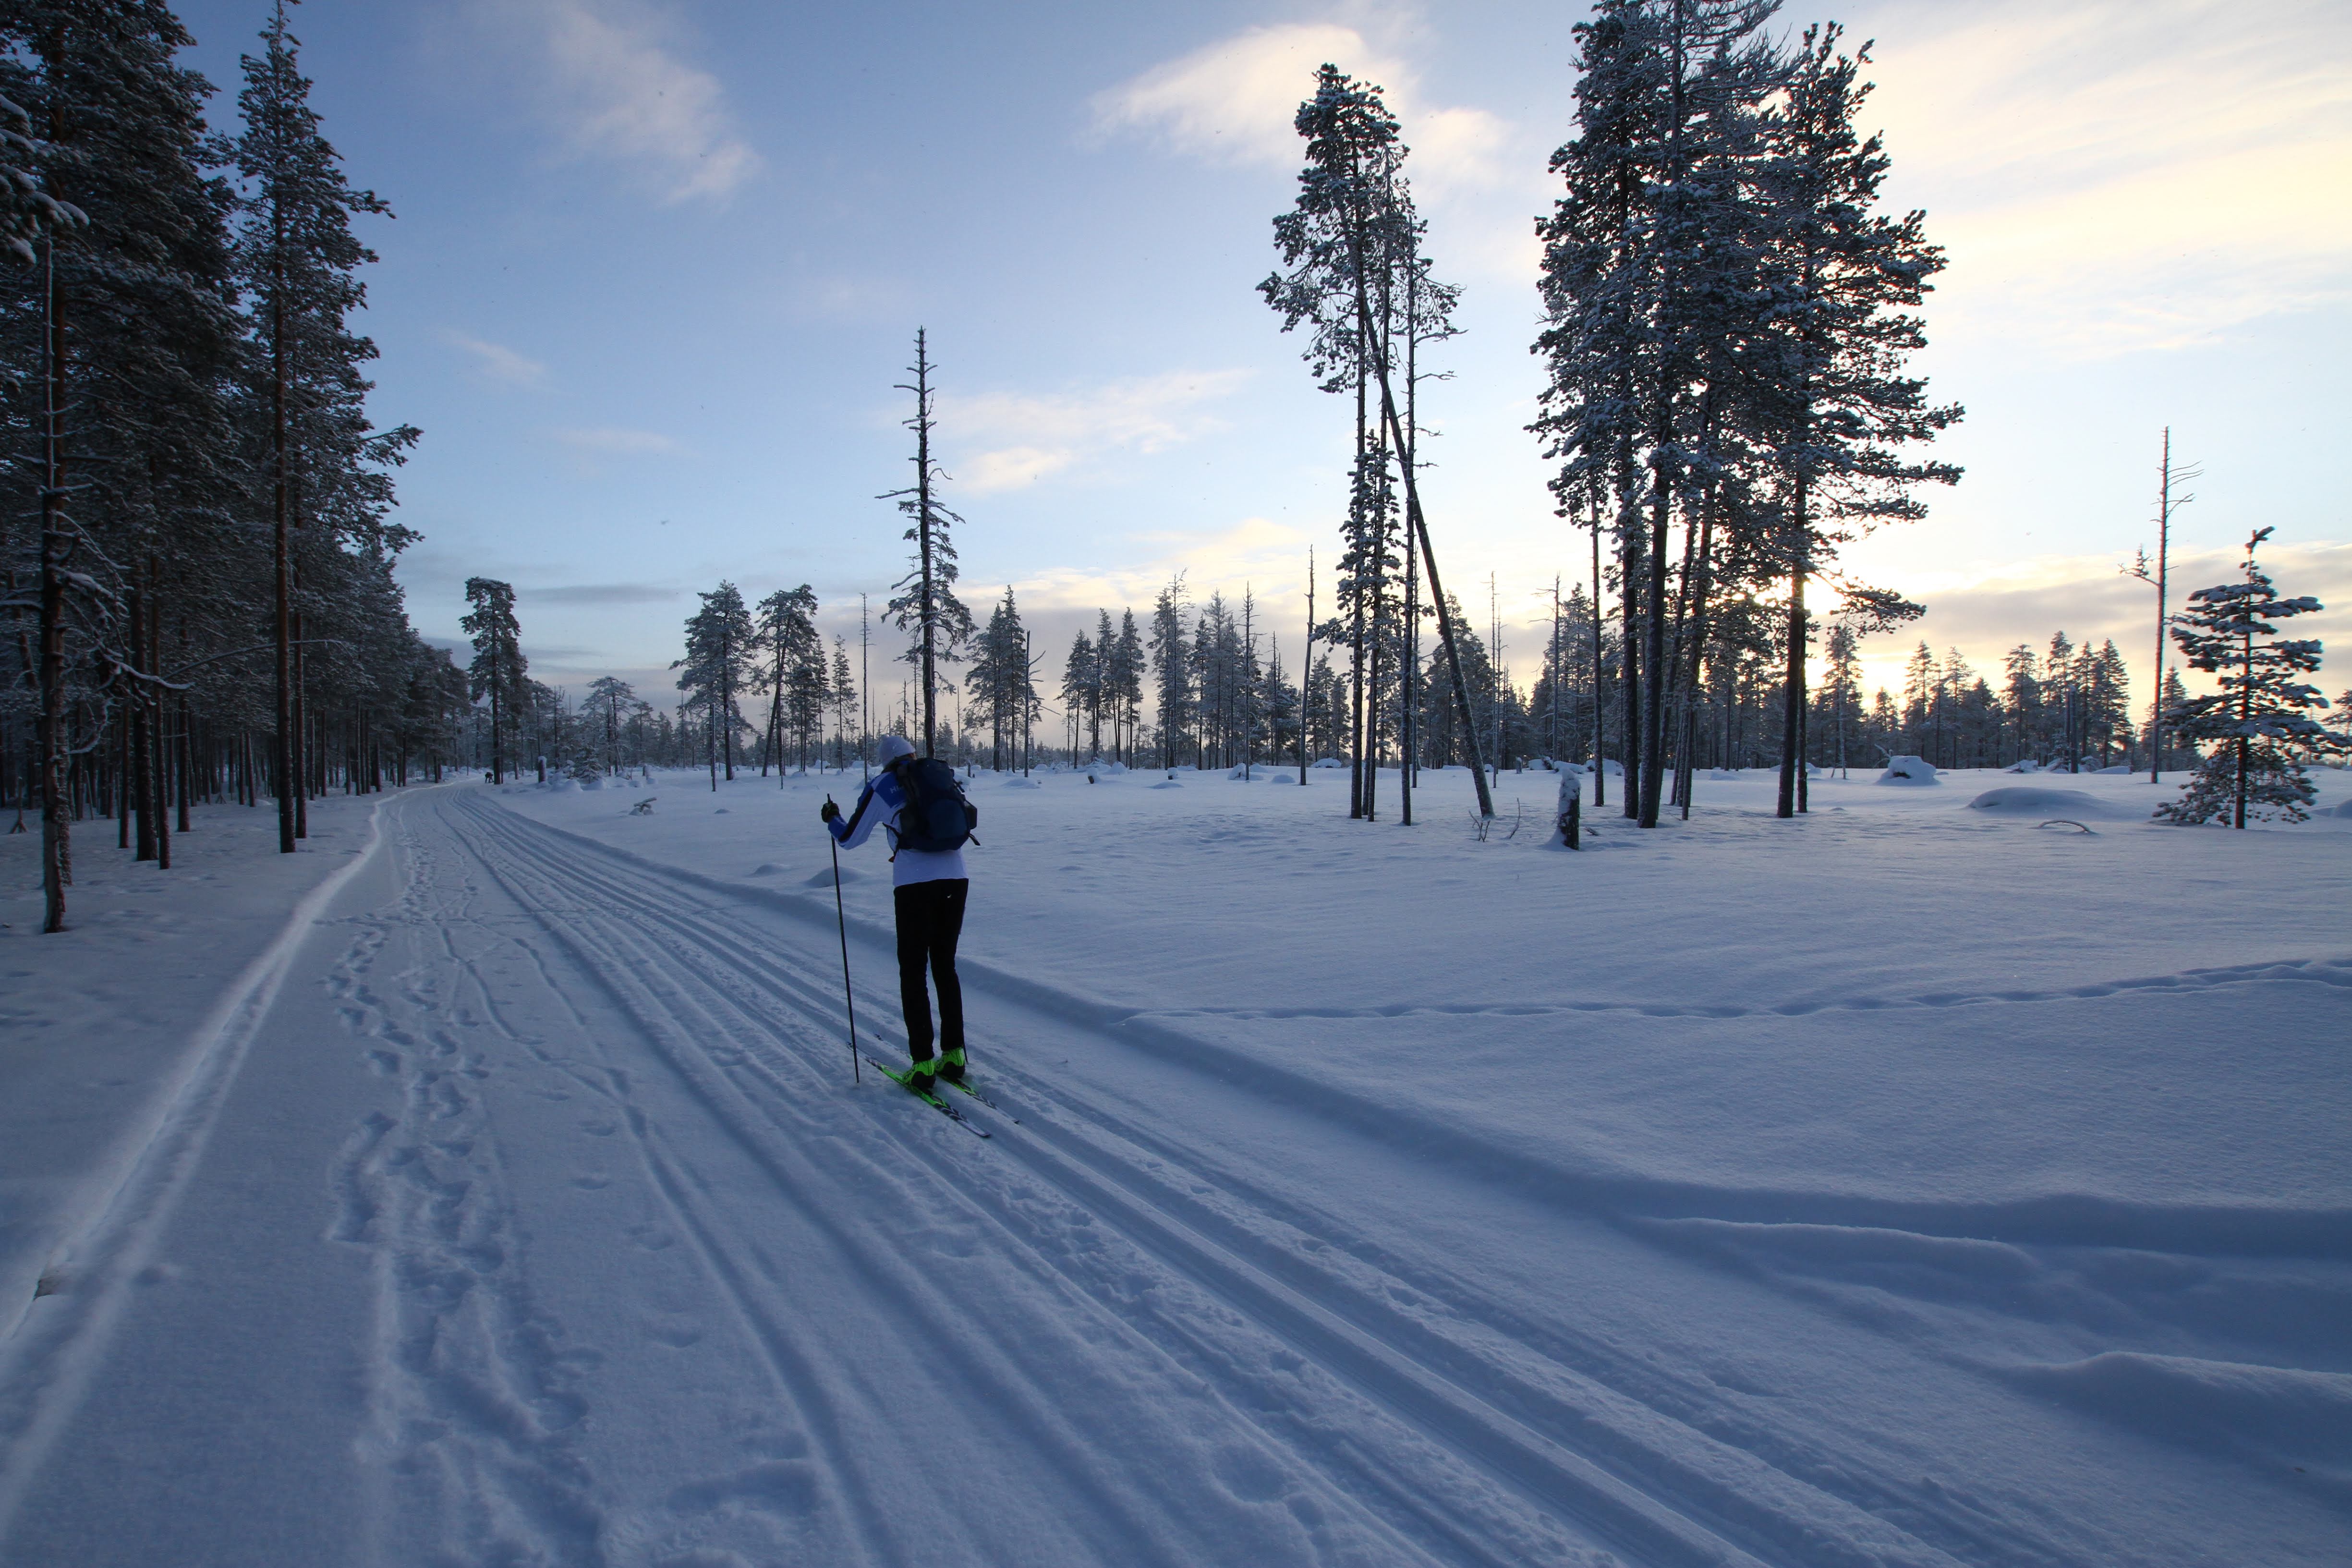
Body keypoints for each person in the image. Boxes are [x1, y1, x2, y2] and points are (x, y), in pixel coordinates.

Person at [821, 735, 969, 1094]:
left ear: (883, 760)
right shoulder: (940, 776)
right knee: (945, 966)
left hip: (914, 883)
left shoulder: (883, 784)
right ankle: (955, 1056)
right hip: (957, 876)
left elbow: (851, 838)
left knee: (914, 970)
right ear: (912, 754)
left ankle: (922, 1065)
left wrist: (832, 819)